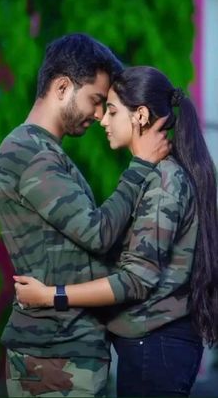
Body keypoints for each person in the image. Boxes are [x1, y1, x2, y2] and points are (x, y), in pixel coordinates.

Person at [15, 66, 218, 398]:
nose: (103, 120)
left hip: (157, 348)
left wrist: (51, 295)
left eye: (111, 111)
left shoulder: (165, 183)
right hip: (151, 346)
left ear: (139, 115)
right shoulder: (153, 176)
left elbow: (136, 280)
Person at [0, 35, 170, 398]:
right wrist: (140, 166)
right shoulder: (28, 152)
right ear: (61, 87)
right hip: (53, 358)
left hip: (68, 352)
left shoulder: (48, 153)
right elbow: (98, 233)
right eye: (96, 101)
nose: (100, 114)